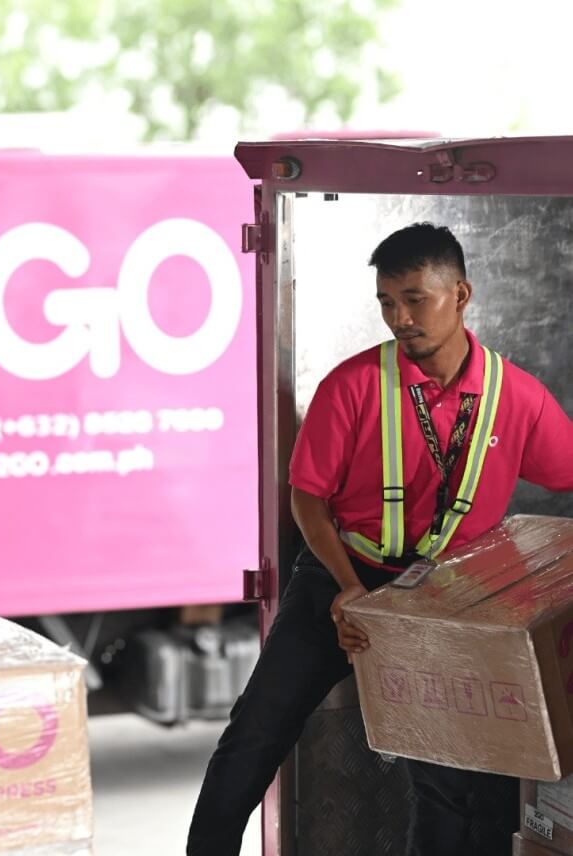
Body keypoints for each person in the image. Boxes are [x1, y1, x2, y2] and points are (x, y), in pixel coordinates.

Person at [185, 222, 573, 855]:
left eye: (416, 298)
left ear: (461, 293)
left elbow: (565, 471)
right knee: (254, 735)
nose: (400, 317)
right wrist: (346, 589)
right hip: (343, 579)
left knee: (446, 773)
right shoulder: (353, 386)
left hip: (440, 602)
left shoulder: (517, 398)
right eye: (387, 302)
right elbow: (307, 497)